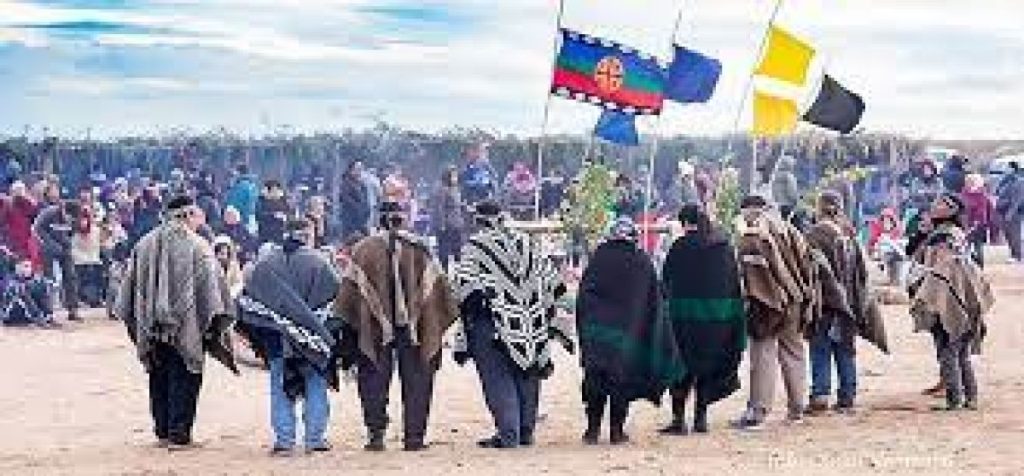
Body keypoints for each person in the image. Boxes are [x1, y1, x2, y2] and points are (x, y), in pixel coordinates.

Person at [114, 196, 237, 450]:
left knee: (158, 374)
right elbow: (214, 293)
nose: (197, 221)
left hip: (151, 327)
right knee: (186, 375)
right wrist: (213, 325)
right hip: (188, 327)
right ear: (187, 214)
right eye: (195, 215)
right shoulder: (198, 247)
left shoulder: (143, 244)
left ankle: (162, 431)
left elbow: (128, 292)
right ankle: (179, 434)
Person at [335, 201, 458, 452]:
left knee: (372, 377)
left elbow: (348, 297)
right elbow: (441, 294)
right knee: (418, 377)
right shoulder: (420, 249)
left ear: (378, 219)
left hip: (373, 327)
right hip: (415, 328)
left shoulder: (363, 250)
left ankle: (376, 434)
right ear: (403, 219)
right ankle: (414, 437)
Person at [452, 201, 568, 449]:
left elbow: (466, 287)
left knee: (497, 378)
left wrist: (473, 319)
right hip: (531, 321)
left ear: (479, 220)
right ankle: (525, 431)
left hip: (492, 323)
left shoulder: (476, 246)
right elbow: (552, 281)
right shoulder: (526, 242)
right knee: (527, 373)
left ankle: (509, 433)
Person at [237, 218, 341, 455]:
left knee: (279, 385)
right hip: (312, 339)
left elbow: (248, 301)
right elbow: (336, 301)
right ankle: (315, 439)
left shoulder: (265, 264)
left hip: (276, 339)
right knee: (315, 384)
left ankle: (284, 441)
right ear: (307, 235)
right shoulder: (320, 263)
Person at [576, 217, 683, 444]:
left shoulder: (599, 258)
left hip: (596, 332)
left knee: (595, 378)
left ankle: (592, 431)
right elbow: (654, 299)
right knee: (620, 380)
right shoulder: (641, 261)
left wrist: (585, 328)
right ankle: (616, 431)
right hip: (627, 333)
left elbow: (584, 294)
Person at [660, 204, 746, 435]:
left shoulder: (680, 246)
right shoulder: (723, 247)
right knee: (707, 367)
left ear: (686, 223)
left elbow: (665, 279)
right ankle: (701, 419)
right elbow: (733, 284)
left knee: (681, 367)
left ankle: (678, 420)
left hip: (683, 318)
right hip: (716, 320)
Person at [731, 195, 814, 429]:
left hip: (766, 303)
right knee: (794, 352)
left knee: (762, 355)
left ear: (748, 211)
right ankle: (797, 408)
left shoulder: (751, 236)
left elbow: (749, 276)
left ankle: (758, 411)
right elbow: (807, 265)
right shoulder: (791, 231)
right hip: (795, 299)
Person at [908, 193, 994, 411]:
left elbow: (942, 272)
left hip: (946, 299)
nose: (934, 206)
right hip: (954, 298)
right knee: (960, 353)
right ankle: (970, 397)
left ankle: (955, 399)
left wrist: (932, 298)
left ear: (952, 211)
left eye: (941, 203)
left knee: (949, 351)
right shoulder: (946, 234)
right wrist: (922, 234)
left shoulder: (945, 237)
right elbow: (914, 253)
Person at [804, 191, 869, 414]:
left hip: (823, 302)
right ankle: (847, 396)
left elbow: (806, 270)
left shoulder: (813, 235)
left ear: (819, 207)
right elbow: (862, 273)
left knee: (820, 349)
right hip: (848, 303)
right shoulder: (849, 234)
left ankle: (820, 394)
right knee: (846, 350)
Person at [33, 199, 81, 322]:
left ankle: (73, 309)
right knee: (49, 278)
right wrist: (50, 244)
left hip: (64, 247)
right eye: (68, 217)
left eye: (72, 219)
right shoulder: (49, 213)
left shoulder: (76, 217)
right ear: (63, 209)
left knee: (71, 276)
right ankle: (48, 312)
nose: (69, 220)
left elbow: (71, 233)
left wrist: (66, 243)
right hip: (47, 247)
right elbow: (36, 229)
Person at [2, 257, 57, 328]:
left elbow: (49, 286)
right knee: (21, 290)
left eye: (29, 267)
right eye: (25, 266)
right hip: (11, 313)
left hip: (27, 313)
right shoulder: (10, 279)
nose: (28, 269)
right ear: (18, 267)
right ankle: (38, 318)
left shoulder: (35, 279)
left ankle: (48, 316)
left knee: (43, 286)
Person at [0, 181, 42, 271]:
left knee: (27, 268)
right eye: (16, 190)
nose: (19, 192)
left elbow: (37, 221)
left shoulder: (30, 206)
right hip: (13, 243)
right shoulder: (7, 206)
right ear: (12, 192)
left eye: (21, 190)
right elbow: (2, 223)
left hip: (27, 243)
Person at [430, 166, 465, 270]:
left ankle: (459, 271)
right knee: (444, 250)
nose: (455, 177)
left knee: (457, 249)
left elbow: (457, 204)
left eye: (456, 175)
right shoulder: (441, 189)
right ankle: (444, 271)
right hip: (447, 224)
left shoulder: (455, 189)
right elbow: (439, 208)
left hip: (456, 223)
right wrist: (442, 224)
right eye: (453, 175)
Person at [960, 173, 995, 268]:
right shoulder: (963, 194)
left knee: (978, 246)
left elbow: (982, 211)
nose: (971, 185)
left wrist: (977, 222)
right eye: (969, 183)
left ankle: (980, 266)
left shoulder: (982, 195)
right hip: (965, 224)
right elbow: (961, 208)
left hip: (978, 225)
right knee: (965, 246)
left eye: (974, 183)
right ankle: (965, 266)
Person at [995, 161, 1023, 263]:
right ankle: (1013, 253)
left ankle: (1017, 255)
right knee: (1008, 234)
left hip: (1014, 213)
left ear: (1013, 169)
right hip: (1003, 211)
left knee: (1014, 234)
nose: (1005, 170)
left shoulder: (1019, 182)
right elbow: (997, 192)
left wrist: (1010, 214)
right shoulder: (1005, 180)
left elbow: (1017, 200)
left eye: (1008, 168)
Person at [338, 161, 372, 242]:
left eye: (361, 169)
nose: (359, 171)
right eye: (357, 169)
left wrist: (366, 210)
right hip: (350, 219)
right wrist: (358, 208)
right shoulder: (346, 183)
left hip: (362, 219)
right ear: (351, 170)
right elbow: (346, 199)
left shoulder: (362, 184)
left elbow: (366, 199)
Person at [256, 180, 290, 246]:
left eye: (277, 190)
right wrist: (273, 215)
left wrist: (285, 217)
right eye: (273, 190)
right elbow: (258, 215)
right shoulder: (261, 201)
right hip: (265, 234)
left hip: (280, 234)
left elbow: (288, 214)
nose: (275, 192)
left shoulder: (283, 201)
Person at [225, 165, 259, 230]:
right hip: (252, 218)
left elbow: (234, 203)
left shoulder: (240, 186)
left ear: (239, 172)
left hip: (241, 219)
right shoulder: (253, 186)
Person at [771, 156, 800, 220]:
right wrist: (796, 200)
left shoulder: (774, 177)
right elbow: (792, 192)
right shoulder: (789, 176)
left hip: (779, 205)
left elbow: (773, 192)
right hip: (789, 205)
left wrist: (776, 200)